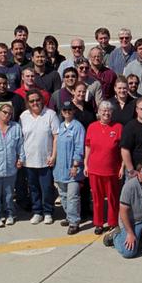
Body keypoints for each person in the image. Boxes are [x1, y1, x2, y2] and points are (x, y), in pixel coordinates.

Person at [20, 91, 60, 225]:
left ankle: (48, 211)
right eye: (31, 101)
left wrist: (54, 156)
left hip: (46, 160)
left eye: (37, 100)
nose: (35, 103)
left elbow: (56, 137)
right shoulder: (23, 116)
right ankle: (37, 212)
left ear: (42, 100)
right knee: (33, 188)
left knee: (47, 188)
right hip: (29, 160)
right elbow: (20, 139)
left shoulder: (50, 114)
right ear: (28, 103)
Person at [84, 101, 124, 235]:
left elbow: (122, 149)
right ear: (99, 112)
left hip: (112, 169)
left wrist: (122, 167)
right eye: (103, 110)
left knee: (113, 197)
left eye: (109, 111)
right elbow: (88, 146)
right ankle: (99, 223)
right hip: (95, 169)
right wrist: (85, 163)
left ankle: (113, 222)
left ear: (112, 113)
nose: (106, 113)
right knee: (97, 198)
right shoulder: (92, 127)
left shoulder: (118, 127)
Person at [53, 100, 86, 234]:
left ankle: (74, 222)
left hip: (73, 168)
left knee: (73, 196)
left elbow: (79, 147)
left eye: (70, 110)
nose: (67, 112)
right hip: (60, 168)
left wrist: (75, 164)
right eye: (65, 110)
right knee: (63, 195)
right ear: (61, 112)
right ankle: (69, 215)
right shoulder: (60, 126)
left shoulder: (78, 127)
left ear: (74, 111)